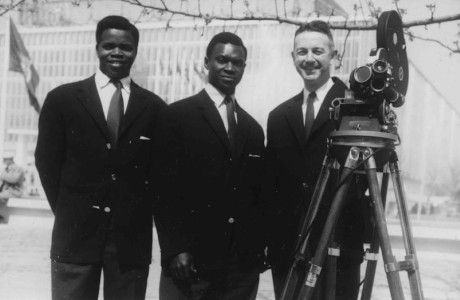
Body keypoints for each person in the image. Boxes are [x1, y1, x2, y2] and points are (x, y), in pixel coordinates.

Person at [35, 15, 166, 300]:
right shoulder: (63, 100)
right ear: (97, 48)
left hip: (130, 243)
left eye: (126, 47)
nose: (117, 53)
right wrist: (70, 210)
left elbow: (159, 175)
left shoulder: (155, 108)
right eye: (109, 45)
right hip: (75, 237)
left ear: (135, 51)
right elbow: (47, 162)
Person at [154, 32, 266, 300]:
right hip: (190, 264)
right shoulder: (177, 116)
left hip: (239, 269)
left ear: (244, 68)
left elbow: (257, 196)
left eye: (236, 63)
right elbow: (163, 190)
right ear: (207, 62)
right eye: (222, 60)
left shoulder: (252, 129)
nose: (229, 67)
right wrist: (175, 250)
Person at [266, 21, 364, 299]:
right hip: (287, 247)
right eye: (302, 52)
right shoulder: (278, 116)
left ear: (334, 56)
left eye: (318, 51)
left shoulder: (356, 106)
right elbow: (270, 184)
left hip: (338, 245)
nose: (309, 59)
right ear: (293, 57)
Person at [0, 153, 25, 224]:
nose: (3, 161)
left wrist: (2, 174)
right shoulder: (6, 168)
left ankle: (3, 218)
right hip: (7, 191)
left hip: (15, 191)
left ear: (11, 159)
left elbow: (13, 179)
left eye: (5, 159)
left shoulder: (18, 168)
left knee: (1, 197)